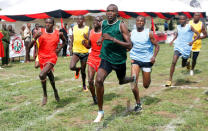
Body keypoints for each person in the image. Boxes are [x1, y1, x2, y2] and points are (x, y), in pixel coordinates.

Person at [93, 4, 134, 122]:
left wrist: (112, 39)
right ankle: (100, 112)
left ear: (117, 13)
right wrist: (101, 39)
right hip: (106, 58)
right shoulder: (103, 24)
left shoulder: (121, 26)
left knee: (122, 81)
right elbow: (103, 35)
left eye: (112, 11)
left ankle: (132, 78)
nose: (109, 13)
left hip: (119, 59)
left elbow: (129, 45)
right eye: (108, 11)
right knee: (99, 80)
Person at [30, 18, 66, 106]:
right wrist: (35, 37)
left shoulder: (58, 33)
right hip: (42, 57)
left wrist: (59, 48)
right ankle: (55, 90)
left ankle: (45, 95)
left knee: (42, 74)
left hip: (52, 57)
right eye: (46, 22)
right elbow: (29, 46)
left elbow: (65, 41)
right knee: (49, 75)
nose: (47, 24)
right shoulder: (40, 32)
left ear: (53, 24)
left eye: (50, 23)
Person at [130, 16, 160, 112]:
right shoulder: (132, 33)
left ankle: (148, 73)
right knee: (133, 82)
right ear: (136, 22)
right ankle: (138, 104)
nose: (139, 22)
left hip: (147, 60)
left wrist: (154, 57)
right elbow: (129, 45)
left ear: (144, 23)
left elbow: (157, 46)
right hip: (135, 60)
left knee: (146, 85)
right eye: (138, 21)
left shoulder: (149, 33)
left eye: (141, 21)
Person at [165, 14, 200, 87]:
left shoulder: (189, 26)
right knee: (173, 62)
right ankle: (169, 80)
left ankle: (187, 63)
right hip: (178, 46)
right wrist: (172, 40)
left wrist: (192, 42)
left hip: (186, 48)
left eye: (183, 19)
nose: (181, 21)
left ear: (186, 20)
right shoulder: (178, 27)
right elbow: (177, 35)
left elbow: (198, 34)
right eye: (180, 19)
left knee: (183, 65)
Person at [83, 16, 103, 104]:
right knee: (90, 81)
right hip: (92, 57)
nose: (95, 22)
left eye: (97, 21)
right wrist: (85, 45)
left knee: (98, 82)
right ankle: (94, 98)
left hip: (102, 58)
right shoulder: (90, 32)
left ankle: (99, 96)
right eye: (94, 20)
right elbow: (89, 46)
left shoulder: (104, 33)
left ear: (101, 23)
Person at [69, 15, 90, 91]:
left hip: (84, 52)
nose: (78, 21)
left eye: (80, 19)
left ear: (83, 20)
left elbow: (91, 40)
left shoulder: (87, 28)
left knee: (83, 71)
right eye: (77, 19)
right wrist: (70, 46)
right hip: (76, 51)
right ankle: (77, 70)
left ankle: (84, 85)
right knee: (71, 67)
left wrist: (87, 38)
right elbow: (72, 38)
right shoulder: (74, 28)